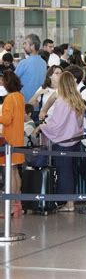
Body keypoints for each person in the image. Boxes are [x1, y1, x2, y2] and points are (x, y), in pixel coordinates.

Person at [36, 71, 85, 212]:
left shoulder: (62, 101)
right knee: (72, 171)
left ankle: (68, 203)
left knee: (64, 172)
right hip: (75, 141)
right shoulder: (77, 99)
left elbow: (56, 124)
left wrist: (42, 126)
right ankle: (71, 201)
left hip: (63, 142)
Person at [0, 71, 25, 217]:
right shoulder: (20, 97)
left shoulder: (9, 98)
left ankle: (10, 206)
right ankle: (17, 204)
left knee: (9, 173)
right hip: (19, 139)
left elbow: (7, 119)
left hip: (8, 140)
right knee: (15, 171)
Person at [15, 34, 47, 103]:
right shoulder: (44, 63)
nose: (23, 46)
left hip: (25, 105)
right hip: (38, 104)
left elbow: (11, 81)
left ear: (32, 46)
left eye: (25, 43)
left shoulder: (24, 63)